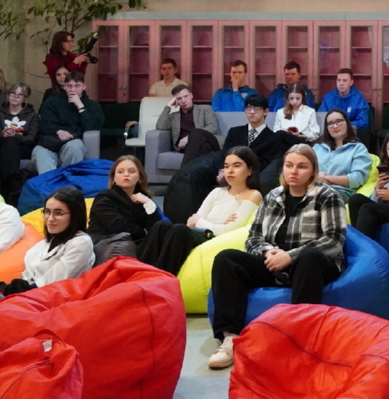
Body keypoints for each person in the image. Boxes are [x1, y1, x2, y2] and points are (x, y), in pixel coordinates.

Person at [207, 144, 347, 369]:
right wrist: (266, 251)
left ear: (313, 170)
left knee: (308, 257)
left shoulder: (327, 196)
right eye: (289, 165)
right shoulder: (273, 196)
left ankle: (300, 341)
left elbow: (334, 240)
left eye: (302, 167)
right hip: (274, 262)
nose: (294, 171)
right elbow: (253, 237)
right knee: (226, 258)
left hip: (312, 264)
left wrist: (290, 256)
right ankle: (230, 338)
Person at [0, 186, 93, 334]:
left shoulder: (80, 243)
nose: (50, 219)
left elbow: (48, 287)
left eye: (59, 213)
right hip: (23, 296)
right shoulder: (47, 242)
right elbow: (27, 278)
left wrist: (0, 290)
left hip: (42, 305)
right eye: (47, 212)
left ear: (75, 215)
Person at [164, 94, 284, 224]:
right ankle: (196, 216)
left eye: (257, 108)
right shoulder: (235, 132)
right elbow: (225, 155)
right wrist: (224, 171)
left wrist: (239, 172)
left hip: (249, 175)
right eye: (249, 108)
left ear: (266, 112)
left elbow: (263, 163)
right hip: (227, 169)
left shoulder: (273, 138)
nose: (252, 112)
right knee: (197, 175)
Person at [140, 147, 262, 275]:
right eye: (226, 166)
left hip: (213, 239)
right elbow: (191, 221)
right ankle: (139, 272)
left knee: (180, 230)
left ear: (250, 170)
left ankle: (157, 277)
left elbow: (226, 231)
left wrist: (200, 222)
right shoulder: (217, 192)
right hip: (202, 232)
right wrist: (210, 223)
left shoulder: (253, 195)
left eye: (236, 166)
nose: (230, 171)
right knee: (162, 226)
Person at [87, 154, 161, 258]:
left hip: (137, 244)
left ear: (140, 177)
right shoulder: (104, 198)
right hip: (107, 245)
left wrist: (149, 203)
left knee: (176, 231)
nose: (126, 175)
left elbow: (157, 229)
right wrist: (145, 233)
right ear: (114, 178)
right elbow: (118, 227)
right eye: (120, 172)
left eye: (131, 171)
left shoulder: (143, 199)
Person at [32, 71, 103, 174]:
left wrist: (80, 106)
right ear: (64, 87)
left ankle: (67, 182)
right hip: (49, 143)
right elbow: (44, 124)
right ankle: (51, 183)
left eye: (77, 86)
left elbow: (92, 127)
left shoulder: (93, 106)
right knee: (40, 153)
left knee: (75, 146)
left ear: (84, 87)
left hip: (73, 142)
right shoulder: (51, 102)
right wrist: (58, 131)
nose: (73, 89)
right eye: (69, 86)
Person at [0, 83, 40, 204]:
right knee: (8, 143)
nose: (15, 96)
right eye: (13, 93)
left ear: (25, 98)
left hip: (22, 147)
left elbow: (31, 139)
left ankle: (3, 190)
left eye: (20, 94)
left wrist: (15, 137)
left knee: (10, 143)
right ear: (8, 95)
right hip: (1, 145)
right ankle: (13, 184)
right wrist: (3, 134)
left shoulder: (32, 115)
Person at [155, 84, 221, 165]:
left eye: (185, 96)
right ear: (175, 101)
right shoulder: (174, 116)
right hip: (187, 147)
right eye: (179, 98)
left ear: (191, 96)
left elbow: (213, 127)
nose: (183, 101)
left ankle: (183, 169)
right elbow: (160, 126)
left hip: (207, 140)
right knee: (205, 148)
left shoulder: (205, 109)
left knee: (196, 132)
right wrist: (168, 106)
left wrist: (189, 137)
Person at [312, 109, 372, 198]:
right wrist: (314, 177)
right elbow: (304, 169)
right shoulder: (317, 147)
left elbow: (357, 179)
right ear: (327, 128)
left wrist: (327, 178)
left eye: (339, 121)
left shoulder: (358, 148)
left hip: (340, 192)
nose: (335, 126)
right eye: (330, 123)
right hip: (313, 188)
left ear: (347, 123)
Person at [318, 68, 371, 143]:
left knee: (363, 131)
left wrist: (344, 125)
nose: (341, 83)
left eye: (344, 81)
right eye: (338, 80)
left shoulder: (359, 97)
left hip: (351, 129)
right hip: (333, 128)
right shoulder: (328, 97)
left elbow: (363, 121)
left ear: (351, 82)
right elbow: (322, 119)